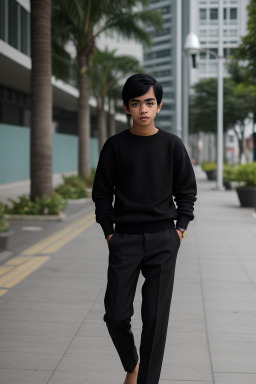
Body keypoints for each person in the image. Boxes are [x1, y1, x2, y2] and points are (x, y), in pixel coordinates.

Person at [92, 74, 197, 384]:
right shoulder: (115, 146)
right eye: (136, 103)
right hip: (124, 239)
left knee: (154, 319)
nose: (143, 109)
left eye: (149, 103)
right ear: (127, 107)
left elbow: (187, 192)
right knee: (115, 315)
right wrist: (109, 232)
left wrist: (180, 230)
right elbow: (101, 193)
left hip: (164, 239)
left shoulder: (172, 145)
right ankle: (132, 364)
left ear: (159, 106)